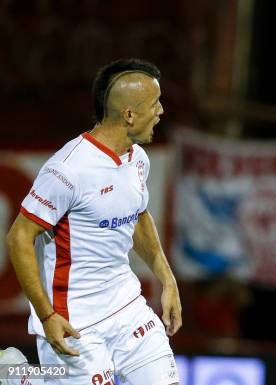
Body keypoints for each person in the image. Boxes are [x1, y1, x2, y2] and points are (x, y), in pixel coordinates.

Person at [5, 58, 181, 385]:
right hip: (75, 320)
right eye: (155, 104)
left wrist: (166, 279)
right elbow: (18, 238)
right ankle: (20, 379)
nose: (161, 111)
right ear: (128, 114)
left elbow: (138, 214)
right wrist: (46, 315)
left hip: (127, 307)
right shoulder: (67, 170)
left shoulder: (137, 159)